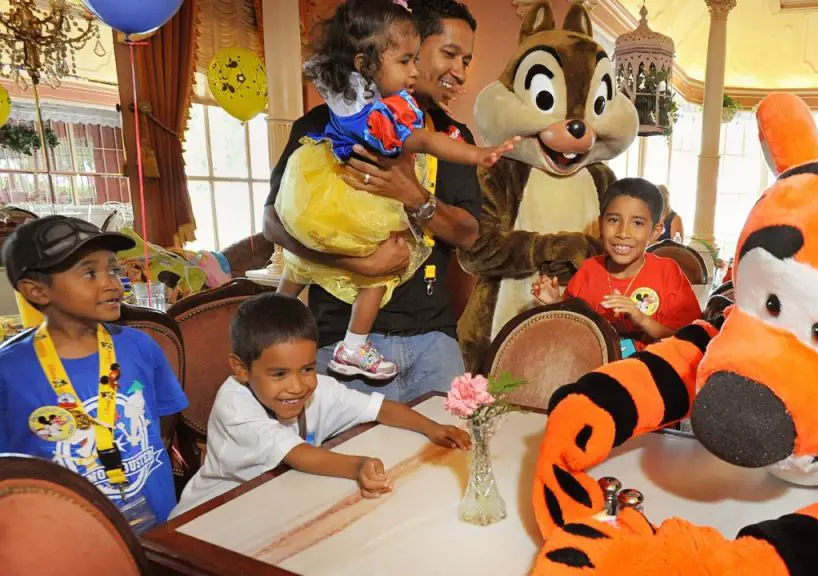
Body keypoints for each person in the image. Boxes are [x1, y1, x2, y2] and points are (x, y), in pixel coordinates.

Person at [275, 0, 517, 381]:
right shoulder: (321, 123)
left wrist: (415, 196)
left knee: (450, 442)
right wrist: (358, 264)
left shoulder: (455, 137)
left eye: (466, 61)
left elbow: (469, 235)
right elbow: (275, 222)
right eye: (449, 54)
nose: (460, 73)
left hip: (434, 345)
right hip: (340, 343)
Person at [171, 293, 470, 517]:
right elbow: (300, 456)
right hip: (214, 513)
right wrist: (358, 465)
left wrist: (433, 428)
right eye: (279, 374)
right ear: (241, 369)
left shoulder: (319, 390)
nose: (297, 386)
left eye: (307, 368)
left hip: (272, 502)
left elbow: (382, 408)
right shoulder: (235, 405)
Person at [0, 216, 188, 532]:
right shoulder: (9, 372)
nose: (113, 283)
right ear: (37, 290)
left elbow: (164, 419)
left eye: (113, 269)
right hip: (67, 534)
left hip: (157, 524)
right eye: (90, 273)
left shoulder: (140, 346)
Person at [531, 178, 702, 357]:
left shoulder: (668, 273)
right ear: (600, 223)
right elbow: (574, 329)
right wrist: (556, 303)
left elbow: (691, 341)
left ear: (655, 231)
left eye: (637, 223)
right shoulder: (589, 270)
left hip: (650, 375)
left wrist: (642, 319)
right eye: (613, 220)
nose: (622, 233)